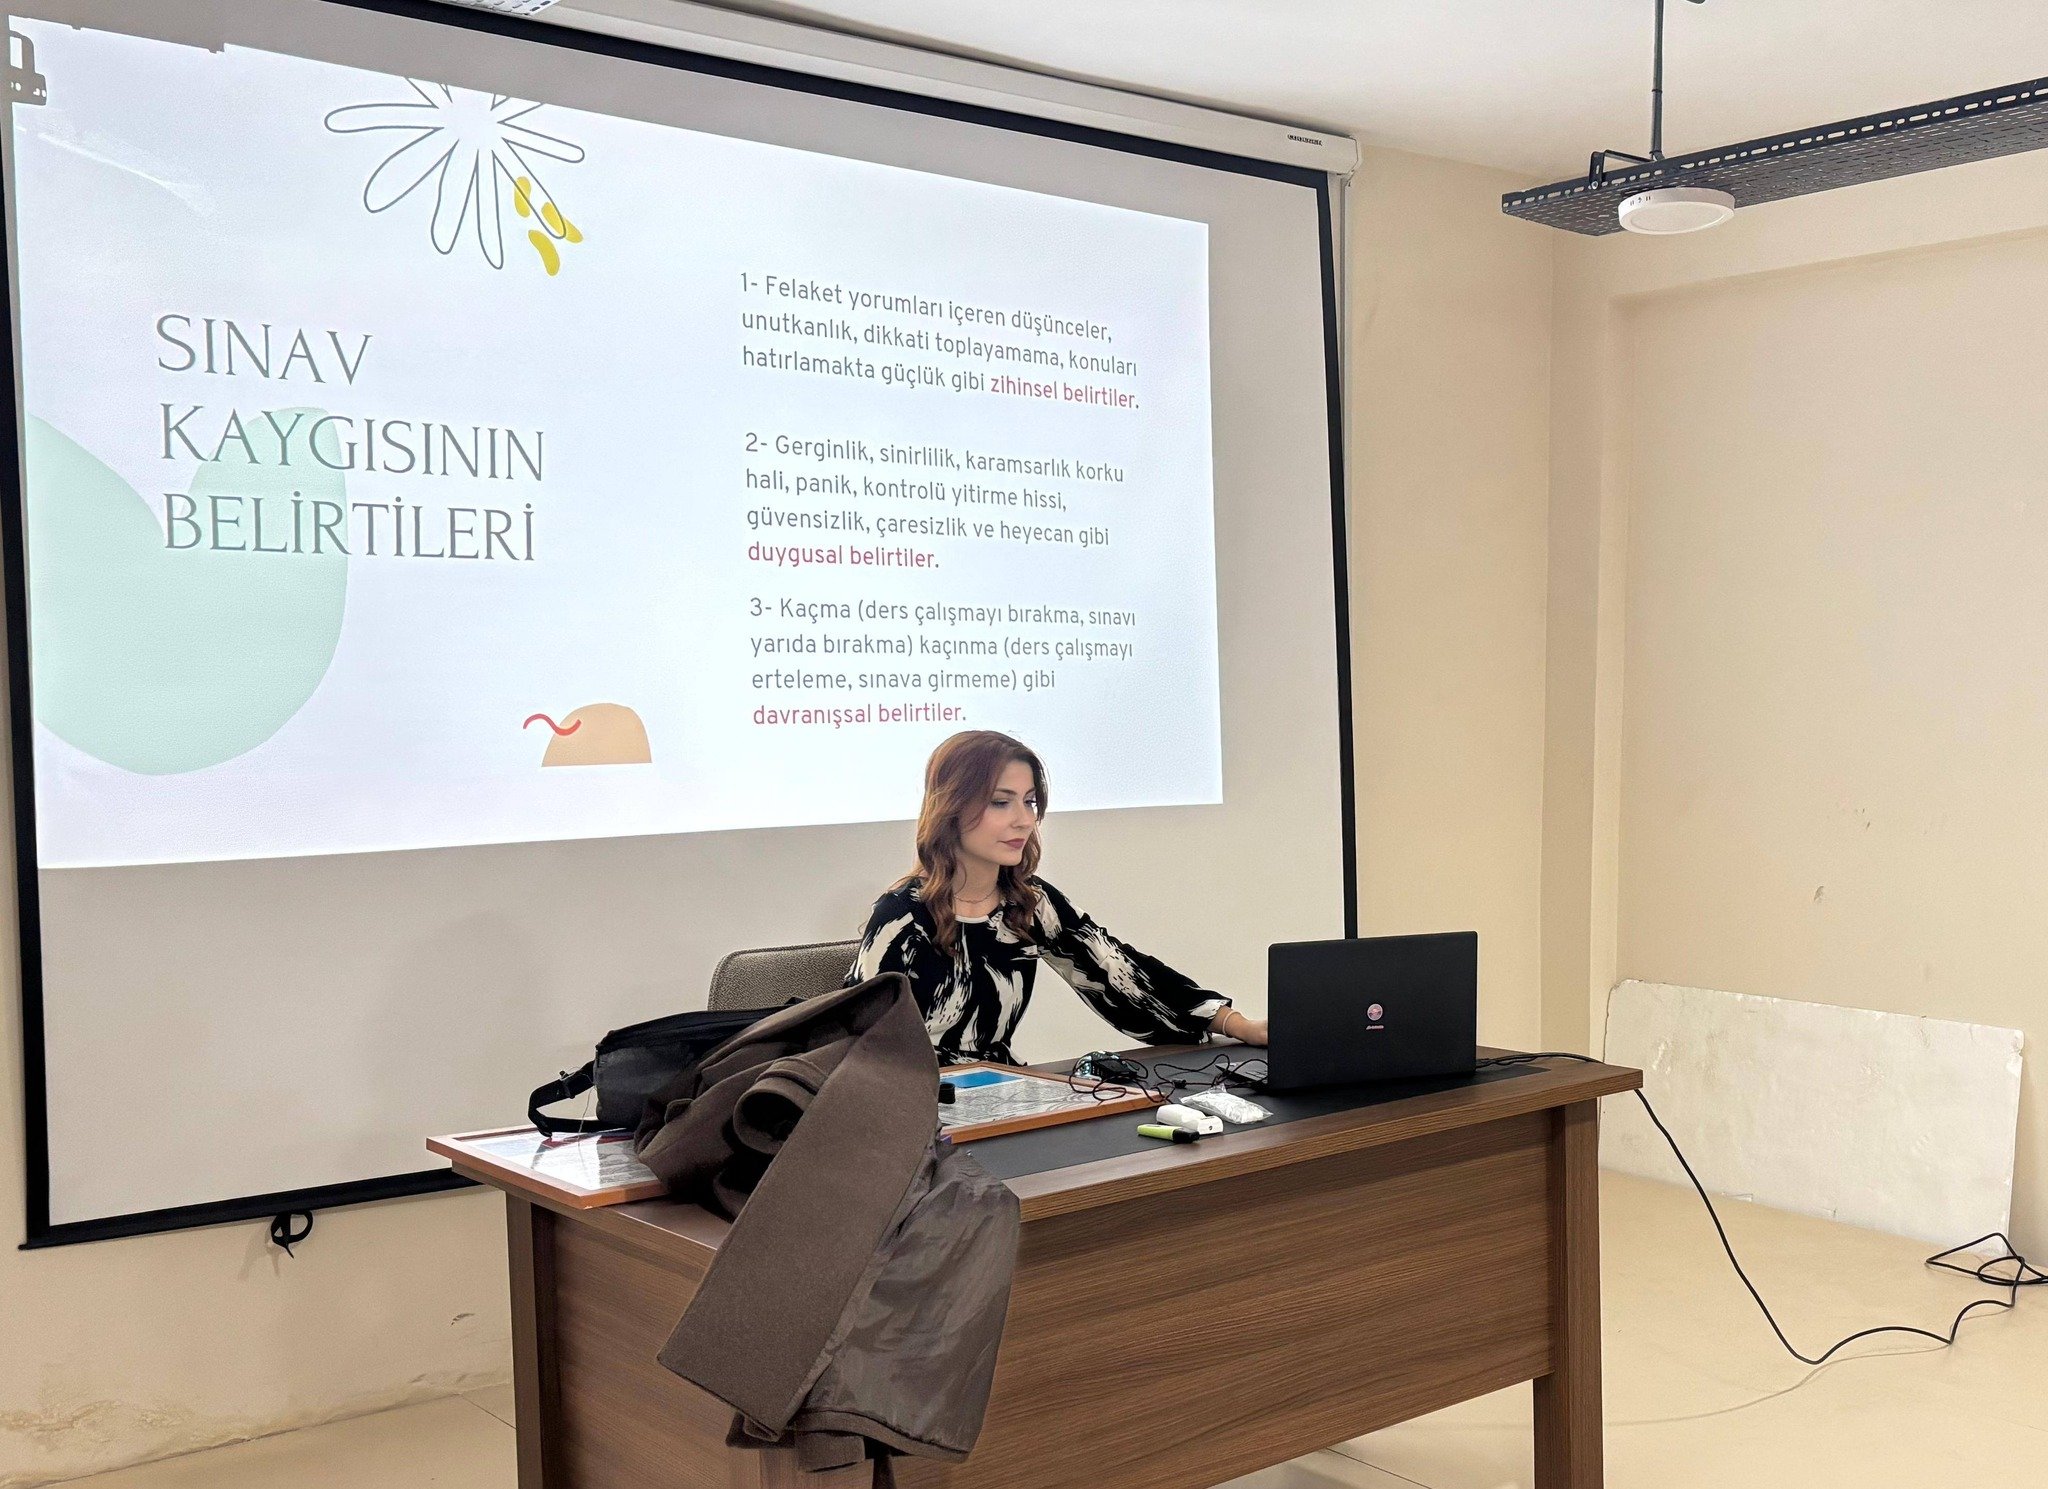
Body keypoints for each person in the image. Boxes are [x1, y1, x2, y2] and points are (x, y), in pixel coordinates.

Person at [846, 729, 1268, 1064]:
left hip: (999, 1094)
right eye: (1001, 802)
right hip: (913, 1108)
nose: (1024, 820)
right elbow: (864, 1047)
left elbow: (1117, 972)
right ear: (951, 808)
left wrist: (1235, 1024)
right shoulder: (902, 914)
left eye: (1029, 802)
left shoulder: (1029, 904)